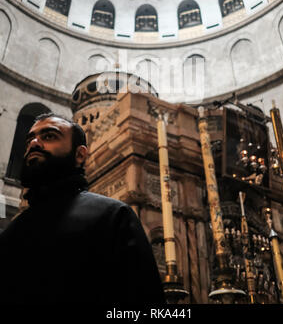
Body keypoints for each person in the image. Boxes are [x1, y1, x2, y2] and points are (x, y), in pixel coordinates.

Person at [0, 113, 166, 305]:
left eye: (49, 136)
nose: (34, 143)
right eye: (31, 139)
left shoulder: (112, 216)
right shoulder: (12, 231)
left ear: (80, 154)